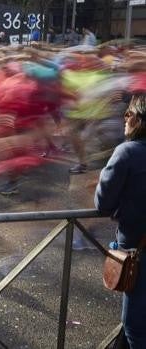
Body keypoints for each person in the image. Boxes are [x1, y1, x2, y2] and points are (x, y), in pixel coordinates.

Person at [95, 94, 146, 348]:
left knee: (135, 326)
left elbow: (102, 203)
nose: (124, 118)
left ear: (139, 119)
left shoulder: (128, 152)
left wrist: (120, 209)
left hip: (137, 251)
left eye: (129, 113)